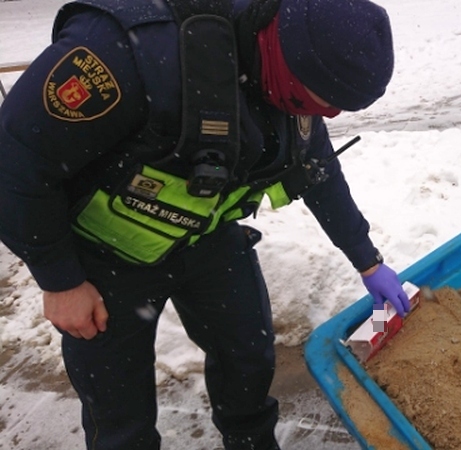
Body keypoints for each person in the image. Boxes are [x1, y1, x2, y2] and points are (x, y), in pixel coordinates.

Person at [0, 0, 412, 448]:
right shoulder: (124, 53)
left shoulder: (287, 75)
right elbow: (14, 162)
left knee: (248, 359)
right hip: (104, 261)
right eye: (327, 104)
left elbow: (316, 167)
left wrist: (367, 260)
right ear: (292, 63)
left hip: (206, 237)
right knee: (120, 413)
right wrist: (60, 279)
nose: (329, 116)